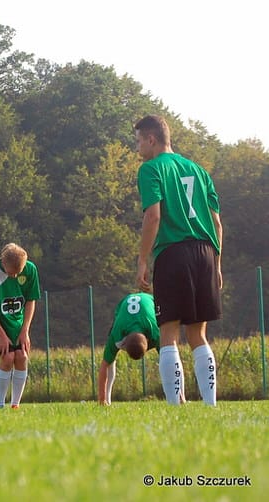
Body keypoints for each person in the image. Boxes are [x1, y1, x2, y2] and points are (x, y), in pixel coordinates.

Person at [134, 114, 222, 406]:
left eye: (138, 142)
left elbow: (153, 216)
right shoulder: (198, 170)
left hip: (174, 252)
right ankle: (210, 404)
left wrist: (143, 260)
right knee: (198, 333)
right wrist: (218, 266)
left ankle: (175, 405)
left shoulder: (150, 169)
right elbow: (217, 224)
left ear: (151, 139)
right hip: (206, 252)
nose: (138, 149)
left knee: (168, 331)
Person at [0, 243, 40, 409]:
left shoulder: (30, 269)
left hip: (18, 323)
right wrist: (1, 336)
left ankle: (15, 405)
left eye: (19, 271)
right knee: (8, 358)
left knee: (22, 357)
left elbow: (31, 300)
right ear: (3, 262)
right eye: (13, 272)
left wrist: (25, 330)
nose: (16, 275)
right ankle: (0, 405)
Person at [97, 292, 160, 406]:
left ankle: (180, 396)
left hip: (150, 300)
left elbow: (169, 356)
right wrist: (101, 399)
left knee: (167, 351)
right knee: (110, 360)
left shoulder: (155, 332)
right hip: (124, 304)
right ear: (124, 343)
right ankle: (106, 399)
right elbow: (105, 365)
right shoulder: (117, 334)